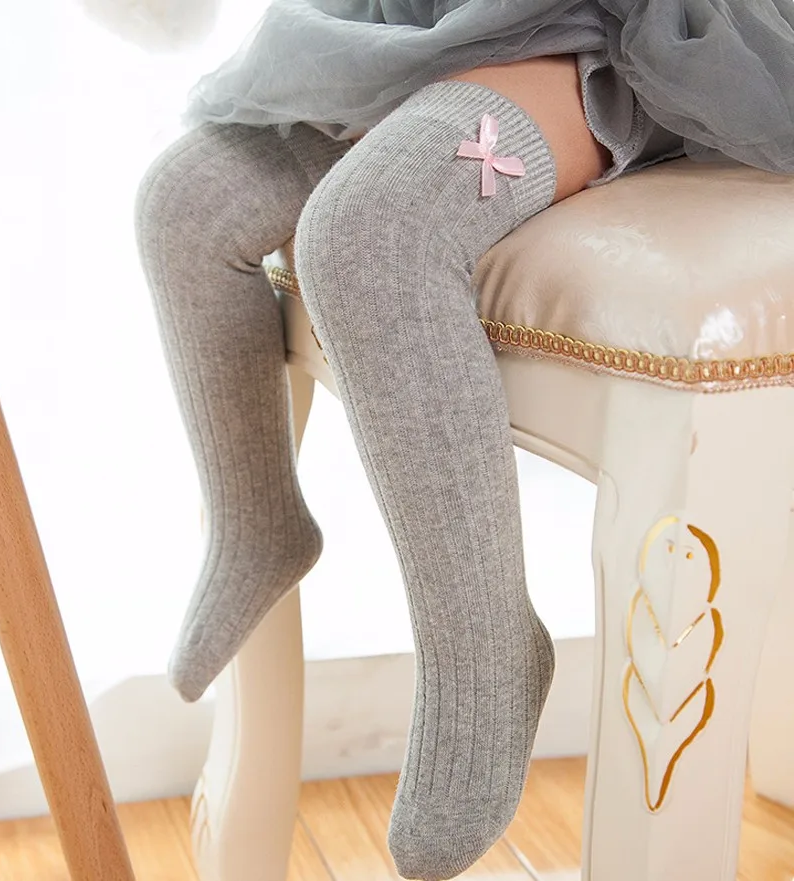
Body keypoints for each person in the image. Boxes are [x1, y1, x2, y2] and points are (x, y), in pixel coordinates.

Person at [130, 3, 794, 878]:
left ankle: (486, 657)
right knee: (183, 203)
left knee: (373, 231)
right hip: (431, 17)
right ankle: (256, 523)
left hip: (608, 27)